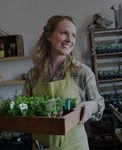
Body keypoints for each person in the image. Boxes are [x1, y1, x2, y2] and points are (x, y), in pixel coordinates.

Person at [22, 15, 105, 150]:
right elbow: (24, 108)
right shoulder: (33, 74)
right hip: (41, 145)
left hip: (75, 146)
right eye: (63, 33)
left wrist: (92, 106)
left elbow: (99, 103)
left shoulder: (82, 72)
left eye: (73, 35)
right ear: (48, 36)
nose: (69, 40)